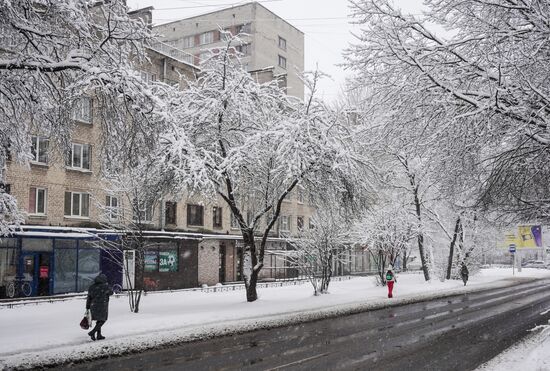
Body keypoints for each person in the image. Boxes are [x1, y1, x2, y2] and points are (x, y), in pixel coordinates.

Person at [86, 273, 113, 341]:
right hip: (102, 305)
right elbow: (111, 292)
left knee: (99, 320)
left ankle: (99, 335)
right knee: (103, 320)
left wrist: (87, 307)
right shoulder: (105, 286)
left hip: (93, 306)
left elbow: (89, 298)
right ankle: (93, 332)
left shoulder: (92, 287)